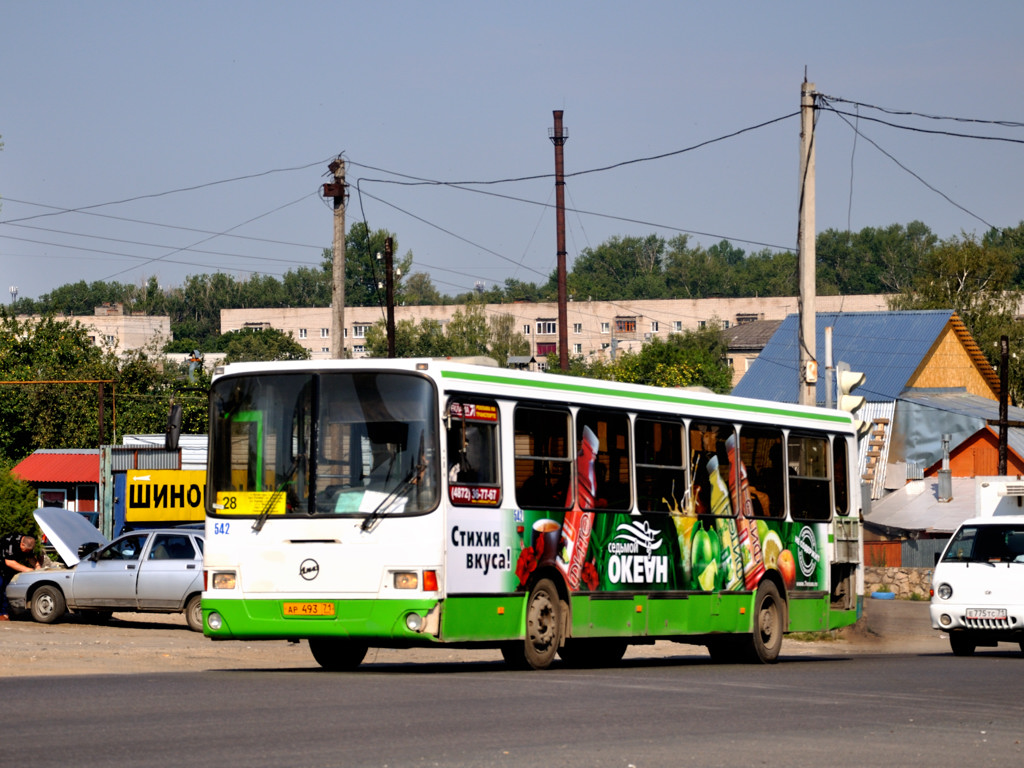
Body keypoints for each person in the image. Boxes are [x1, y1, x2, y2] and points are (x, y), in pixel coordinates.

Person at [1, 532, 41, 620]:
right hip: (2, 564)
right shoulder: (10, 542)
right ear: (22, 544)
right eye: (25, 550)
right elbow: (9, 562)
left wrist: (38, 568)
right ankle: (2, 613)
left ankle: (6, 611)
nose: (26, 552)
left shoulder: (27, 541)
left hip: (8, 570)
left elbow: (31, 557)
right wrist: (27, 569)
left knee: (6, 590)